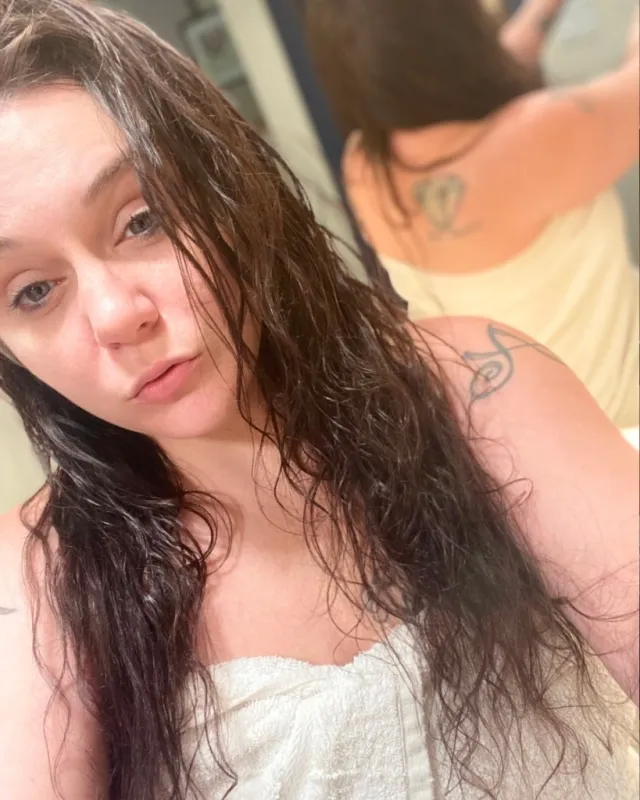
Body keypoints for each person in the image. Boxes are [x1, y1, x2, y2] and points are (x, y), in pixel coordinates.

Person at [0, 2, 637, 799]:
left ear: (224, 180)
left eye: (144, 220)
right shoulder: (44, 578)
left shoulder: (476, 390)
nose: (115, 315)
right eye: (32, 291)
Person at [305, 0, 640, 429]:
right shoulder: (536, 139)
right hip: (621, 430)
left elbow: (467, 78)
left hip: (521, 438)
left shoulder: (365, 166)